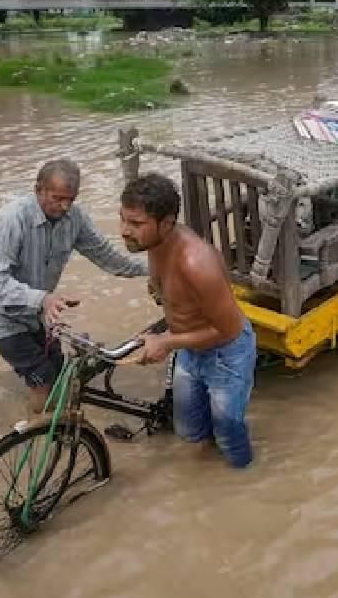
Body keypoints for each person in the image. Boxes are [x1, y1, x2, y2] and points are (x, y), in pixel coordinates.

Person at [0, 159, 148, 413]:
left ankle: (56, 425)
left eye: (71, 200)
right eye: (57, 198)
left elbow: (108, 258)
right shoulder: (10, 220)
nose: (64, 206)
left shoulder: (74, 219)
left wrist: (151, 270)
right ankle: (39, 439)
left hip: (39, 311)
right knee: (43, 380)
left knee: (61, 372)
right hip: (0, 313)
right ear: (38, 190)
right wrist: (44, 299)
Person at [119, 174, 256, 469]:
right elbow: (166, 292)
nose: (124, 231)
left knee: (229, 431)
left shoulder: (196, 262)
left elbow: (227, 329)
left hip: (226, 354)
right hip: (189, 348)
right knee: (190, 429)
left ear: (166, 223)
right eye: (123, 220)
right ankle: (205, 473)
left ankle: (244, 480)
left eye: (135, 224)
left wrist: (166, 341)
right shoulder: (154, 243)